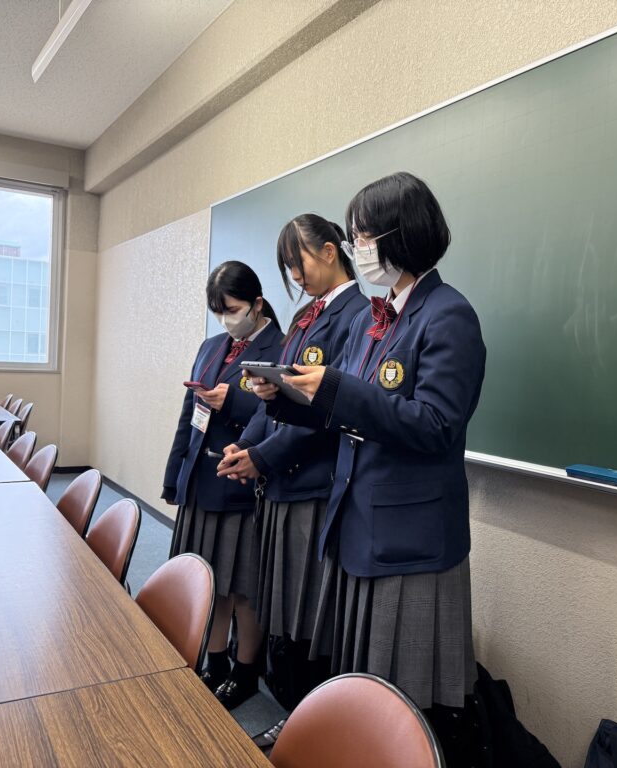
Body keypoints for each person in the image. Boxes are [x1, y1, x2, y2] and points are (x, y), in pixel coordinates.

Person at [250, 172, 486, 760]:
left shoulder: (448, 315)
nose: (356, 246)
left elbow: (435, 425)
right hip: (357, 520)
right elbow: (344, 408)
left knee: (402, 693)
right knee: (360, 672)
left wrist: (335, 389)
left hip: (410, 536)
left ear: (399, 235)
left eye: (361, 235)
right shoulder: (373, 317)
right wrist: (285, 397)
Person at [218, 213, 368, 748]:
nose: (295, 276)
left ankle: (308, 724)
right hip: (281, 481)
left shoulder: (359, 316)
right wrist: (248, 445)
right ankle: (292, 709)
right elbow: (275, 395)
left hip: (314, 486)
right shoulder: (306, 317)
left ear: (329, 251)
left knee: (309, 615)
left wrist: (264, 457)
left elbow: (327, 415)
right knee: (281, 606)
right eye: (287, 267)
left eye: (297, 262)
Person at [162, 260, 282, 710]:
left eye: (231, 310)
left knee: (241, 587)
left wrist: (233, 400)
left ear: (256, 303)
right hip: (201, 479)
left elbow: (279, 415)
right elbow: (188, 415)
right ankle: (214, 662)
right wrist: (175, 474)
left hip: (241, 485)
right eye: (218, 312)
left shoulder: (281, 347)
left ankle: (246, 671)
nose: (225, 320)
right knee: (207, 579)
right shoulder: (212, 346)